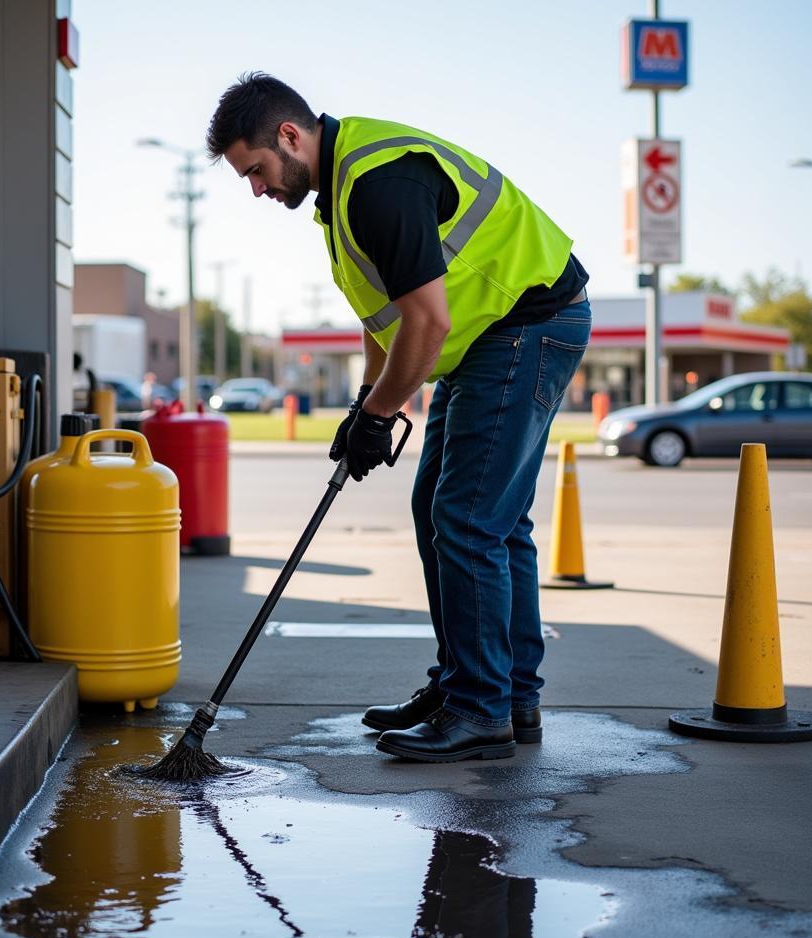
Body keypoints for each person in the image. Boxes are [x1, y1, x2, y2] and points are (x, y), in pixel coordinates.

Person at [206, 73, 590, 763]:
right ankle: (497, 691)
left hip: (528, 324)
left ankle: (481, 709)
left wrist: (381, 416)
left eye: (257, 172)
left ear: (290, 137)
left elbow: (429, 320)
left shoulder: (377, 183)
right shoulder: (342, 193)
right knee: (455, 512)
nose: (258, 190)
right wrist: (365, 404)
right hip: (490, 339)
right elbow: (384, 320)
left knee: (469, 518)